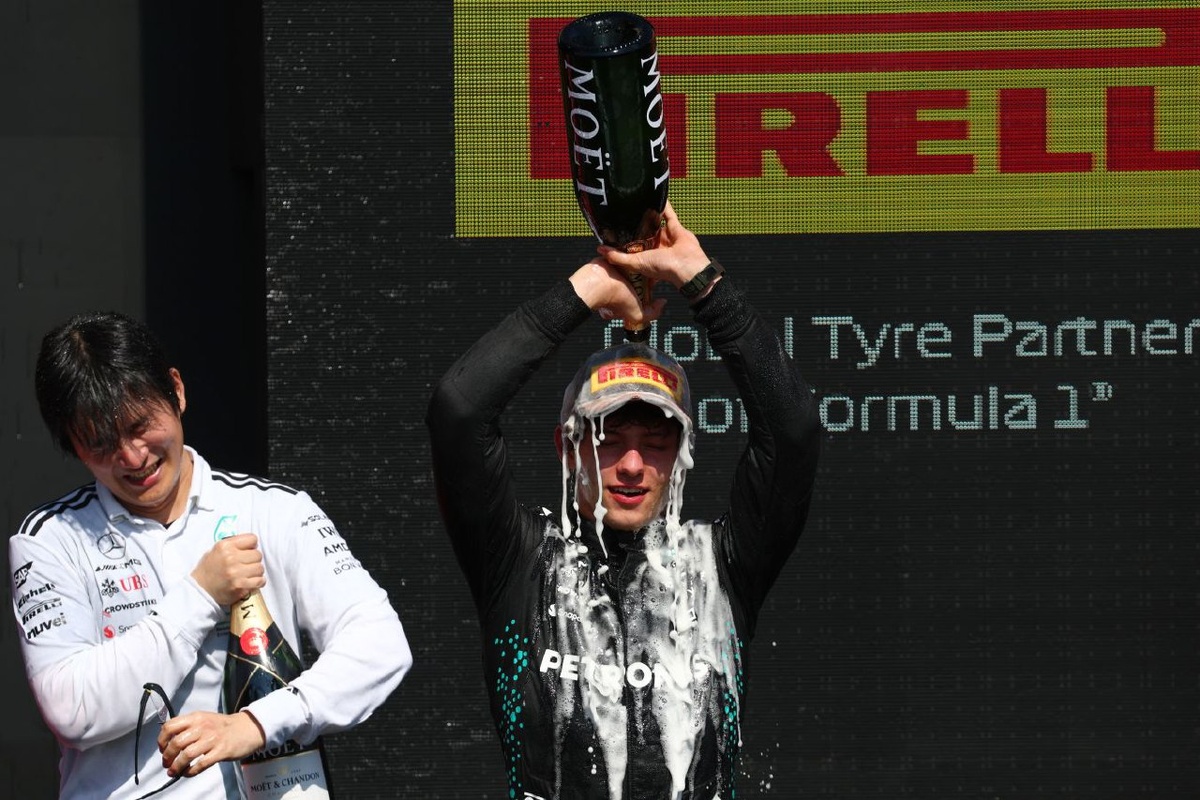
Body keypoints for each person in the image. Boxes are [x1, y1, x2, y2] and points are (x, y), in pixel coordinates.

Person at [426, 202, 821, 800]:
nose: (633, 465)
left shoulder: (721, 566)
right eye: (608, 440)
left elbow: (793, 432)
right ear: (567, 447)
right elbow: (459, 412)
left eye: (656, 443)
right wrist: (591, 286)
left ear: (682, 454)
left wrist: (701, 281)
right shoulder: (520, 559)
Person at [9, 311, 413, 798]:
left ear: (176, 391)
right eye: (101, 442)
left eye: (140, 425)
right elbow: (72, 709)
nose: (132, 457)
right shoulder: (49, 541)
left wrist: (257, 724)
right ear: (73, 446)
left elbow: (381, 644)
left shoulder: (275, 510)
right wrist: (201, 595)